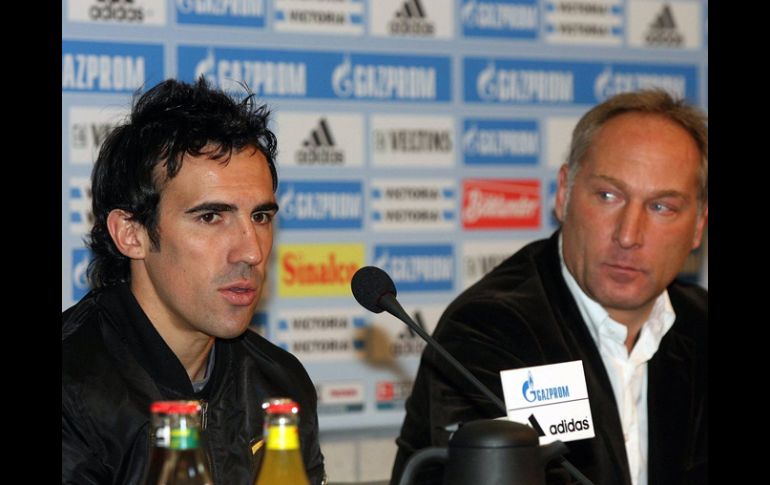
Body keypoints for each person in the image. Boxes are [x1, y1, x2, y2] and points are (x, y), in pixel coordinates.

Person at [391, 89, 708, 485]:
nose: (628, 235)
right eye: (608, 196)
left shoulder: (700, 324)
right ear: (563, 194)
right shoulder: (491, 328)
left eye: (662, 207)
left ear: (698, 226)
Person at [62, 78, 326, 484]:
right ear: (131, 234)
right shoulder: (72, 389)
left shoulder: (280, 384)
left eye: (260, 217)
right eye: (211, 217)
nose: (251, 252)